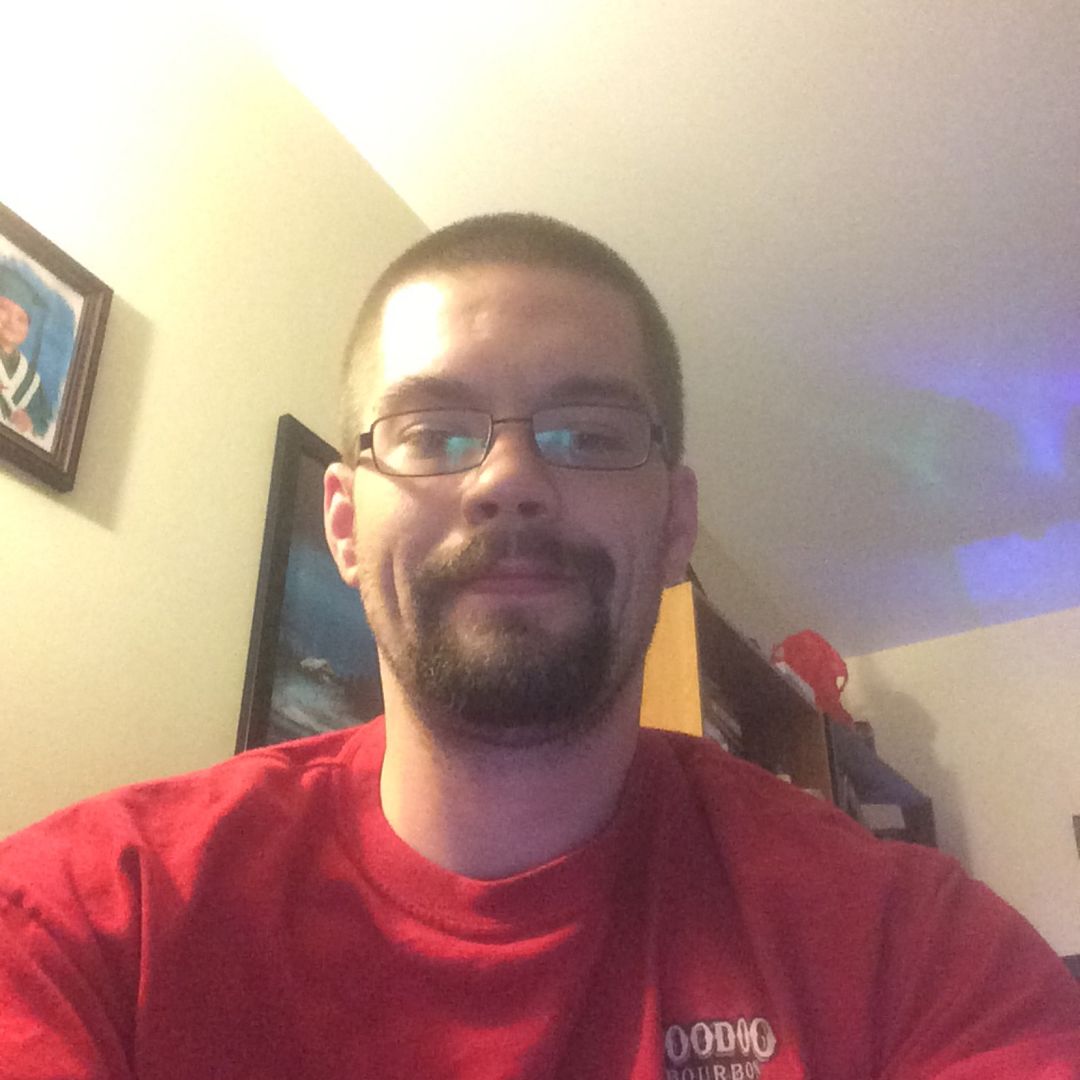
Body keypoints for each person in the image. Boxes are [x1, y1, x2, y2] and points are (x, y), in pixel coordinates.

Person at [1, 214, 1077, 1079]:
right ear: (344, 522)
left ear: (676, 524)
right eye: (432, 433)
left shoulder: (912, 950)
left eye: (589, 436)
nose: (508, 479)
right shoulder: (84, 923)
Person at [0, 268, 52, 441]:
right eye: (3, 309)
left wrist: (29, 426)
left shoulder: (31, 381)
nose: (11, 322)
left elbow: (44, 432)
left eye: (21, 319)